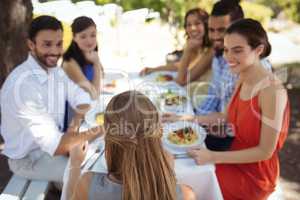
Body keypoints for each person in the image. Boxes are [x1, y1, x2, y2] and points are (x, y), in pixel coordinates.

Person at [188, 18, 290, 200]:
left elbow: (265, 151)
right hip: (232, 156)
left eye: (237, 50)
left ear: (258, 50)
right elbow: (225, 117)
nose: (228, 57)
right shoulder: (242, 77)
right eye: (226, 50)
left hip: (255, 176)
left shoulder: (272, 91)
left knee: (189, 186)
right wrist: (186, 119)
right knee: (183, 169)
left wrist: (213, 157)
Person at [0, 15, 103, 183]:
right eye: (47, 44)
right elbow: (57, 146)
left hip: (52, 147)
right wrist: (103, 129)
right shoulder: (24, 86)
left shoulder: (54, 71)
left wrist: (76, 121)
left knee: (103, 161)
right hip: (30, 160)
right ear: (31, 45)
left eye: (59, 43)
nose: (55, 51)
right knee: (93, 177)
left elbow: (82, 96)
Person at [162, 0, 271, 151]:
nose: (214, 36)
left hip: (233, 141)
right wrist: (188, 117)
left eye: (222, 30)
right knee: (164, 133)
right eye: (211, 30)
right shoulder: (218, 55)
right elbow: (214, 97)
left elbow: (236, 124)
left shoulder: (253, 68)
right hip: (218, 127)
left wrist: (193, 120)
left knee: (168, 147)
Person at [66, 91, 196, 200]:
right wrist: (166, 171)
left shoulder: (88, 184)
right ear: (158, 133)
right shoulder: (186, 195)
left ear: (108, 138)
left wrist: (74, 165)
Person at [140, 8, 213, 86]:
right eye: (189, 25)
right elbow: (180, 66)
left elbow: (181, 81)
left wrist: (187, 50)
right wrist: (153, 69)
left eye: (197, 23)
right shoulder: (199, 47)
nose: (192, 28)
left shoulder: (211, 51)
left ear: (206, 25)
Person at [63, 16, 103, 100]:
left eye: (93, 35)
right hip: (74, 111)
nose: (89, 41)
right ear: (74, 38)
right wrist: (96, 63)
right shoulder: (69, 63)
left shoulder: (91, 55)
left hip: (88, 108)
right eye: (83, 37)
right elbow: (94, 95)